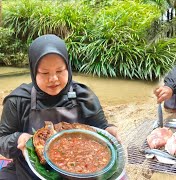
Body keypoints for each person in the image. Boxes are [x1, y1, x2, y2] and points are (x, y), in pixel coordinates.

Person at [0, 34, 120, 179]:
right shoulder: (18, 100)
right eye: (44, 73)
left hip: (80, 172)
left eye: (59, 71)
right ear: (32, 71)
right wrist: (18, 139)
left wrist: (110, 131)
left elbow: (101, 128)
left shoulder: (84, 96)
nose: (53, 79)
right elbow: (2, 140)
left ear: (68, 68)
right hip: (29, 171)